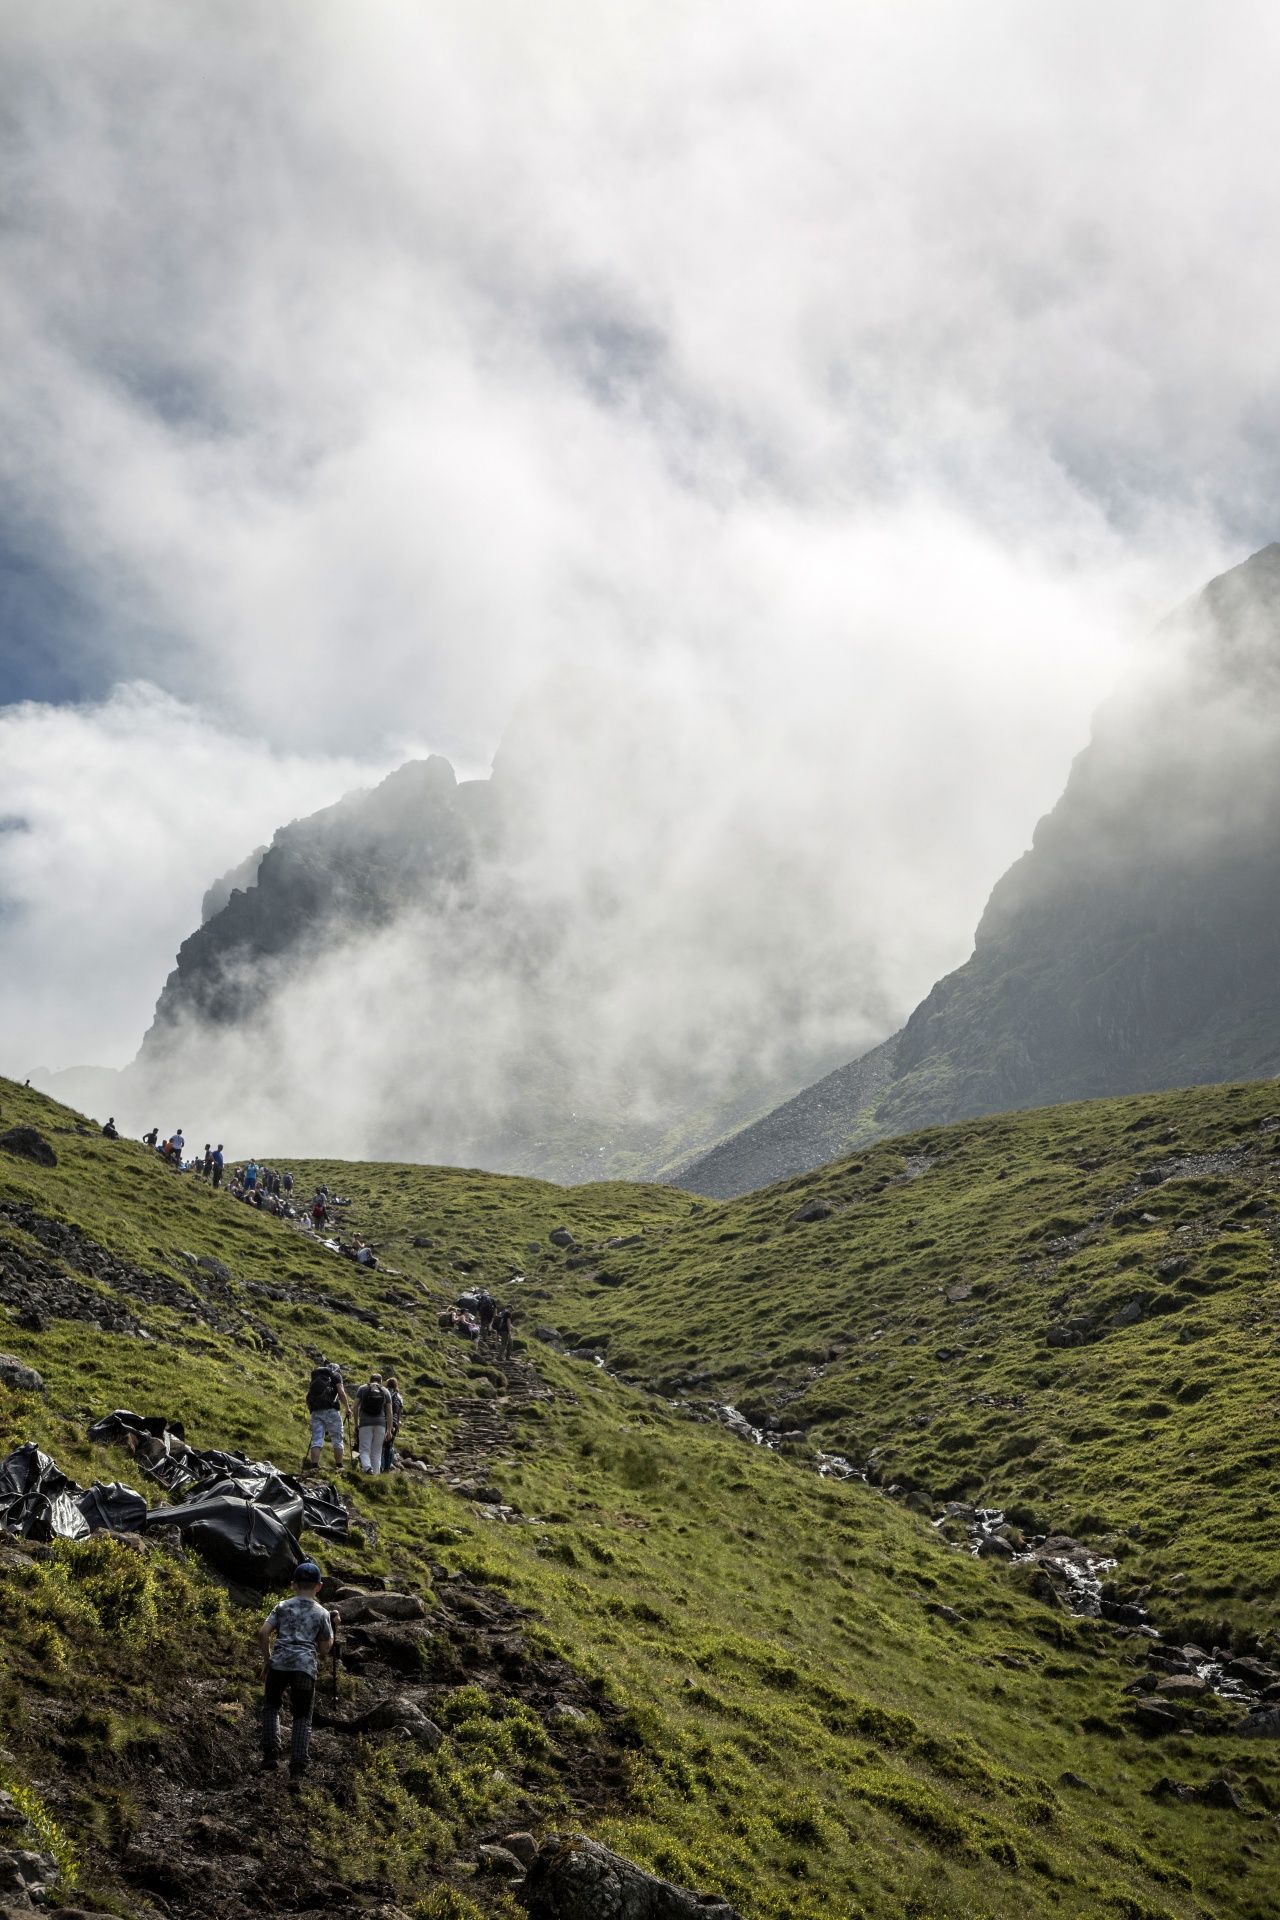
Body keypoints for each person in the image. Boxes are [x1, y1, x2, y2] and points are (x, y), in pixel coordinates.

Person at [258, 1560, 333, 1780]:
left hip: (279, 1663)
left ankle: (271, 1752)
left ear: (293, 1585)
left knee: (271, 1706)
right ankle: (298, 1766)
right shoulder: (322, 1613)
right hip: (304, 1667)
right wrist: (333, 1631)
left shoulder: (282, 1606)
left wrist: (267, 1659)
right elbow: (323, 1649)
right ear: (319, 1586)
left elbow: (263, 1634)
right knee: (302, 1715)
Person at [304, 1359, 351, 1473]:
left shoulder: (316, 1377)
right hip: (330, 1410)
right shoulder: (336, 1376)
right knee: (337, 1438)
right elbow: (340, 1392)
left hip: (316, 1411)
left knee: (317, 1439)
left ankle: (314, 1466)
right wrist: (347, 1408)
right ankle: (339, 1466)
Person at [354, 1372, 390, 1475]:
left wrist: (356, 1423)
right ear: (381, 1381)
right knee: (377, 1453)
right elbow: (389, 1412)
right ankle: (375, 1476)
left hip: (365, 1423)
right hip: (381, 1424)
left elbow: (355, 1406)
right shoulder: (385, 1391)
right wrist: (389, 1429)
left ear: (370, 1380)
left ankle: (367, 1468)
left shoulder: (362, 1388)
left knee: (364, 1449)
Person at [381, 1376, 403, 1473]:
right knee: (388, 1446)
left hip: (381, 1421)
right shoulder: (398, 1396)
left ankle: (377, 1466)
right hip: (393, 1422)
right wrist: (397, 1424)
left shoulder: (383, 1393)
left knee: (379, 1445)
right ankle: (387, 1468)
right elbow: (399, 1412)